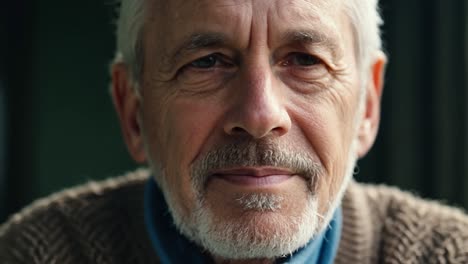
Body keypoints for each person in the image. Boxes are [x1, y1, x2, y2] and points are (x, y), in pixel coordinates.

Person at [1, 0, 468, 263]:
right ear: (134, 112)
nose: (261, 114)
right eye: (207, 63)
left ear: (366, 104)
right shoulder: (44, 253)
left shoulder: (446, 255)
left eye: (305, 61)